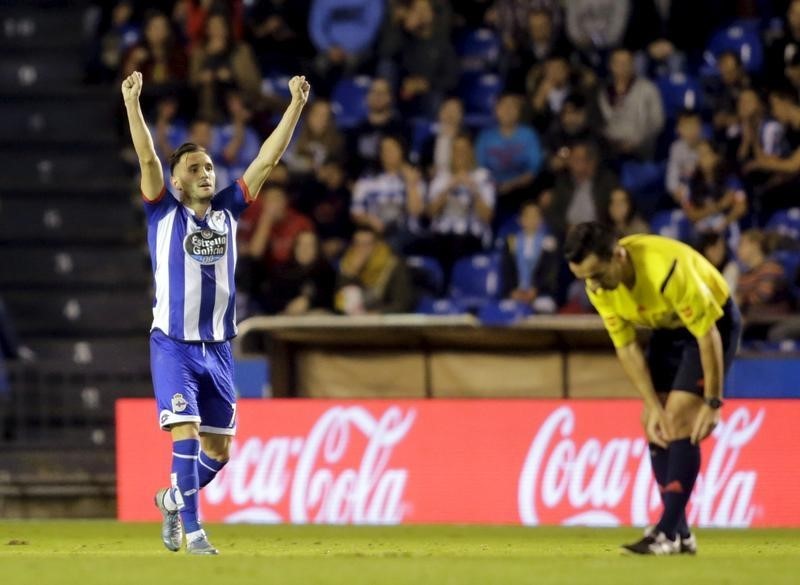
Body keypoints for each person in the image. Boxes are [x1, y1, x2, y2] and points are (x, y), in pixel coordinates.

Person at [122, 70, 309, 554]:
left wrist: (295, 106)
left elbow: (267, 158)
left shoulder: (228, 210)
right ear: (177, 180)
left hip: (219, 350)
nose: (206, 173)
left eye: (209, 166)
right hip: (174, 345)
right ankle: (195, 529)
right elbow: (146, 155)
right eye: (195, 168)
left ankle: (170, 499)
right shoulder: (162, 209)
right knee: (183, 433)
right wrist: (133, 103)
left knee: (219, 452)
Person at [564, 222, 742, 555]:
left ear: (618, 255)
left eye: (598, 274)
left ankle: (666, 532)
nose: (594, 286)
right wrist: (650, 404)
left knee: (678, 419)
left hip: (712, 326)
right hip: (666, 329)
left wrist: (713, 402)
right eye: (585, 278)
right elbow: (627, 347)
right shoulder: (597, 286)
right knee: (655, 424)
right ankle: (681, 533)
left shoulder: (667, 270)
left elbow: (707, 334)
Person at [335, 226, 415, 314]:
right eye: (358, 244)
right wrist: (350, 273)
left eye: (367, 244)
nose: (362, 249)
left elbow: (402, 304)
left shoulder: (393, 266)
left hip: (383, 321)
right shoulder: (346, 264)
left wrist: (377, 313)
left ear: (377, 245)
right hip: (353, 322)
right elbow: (340, 304)